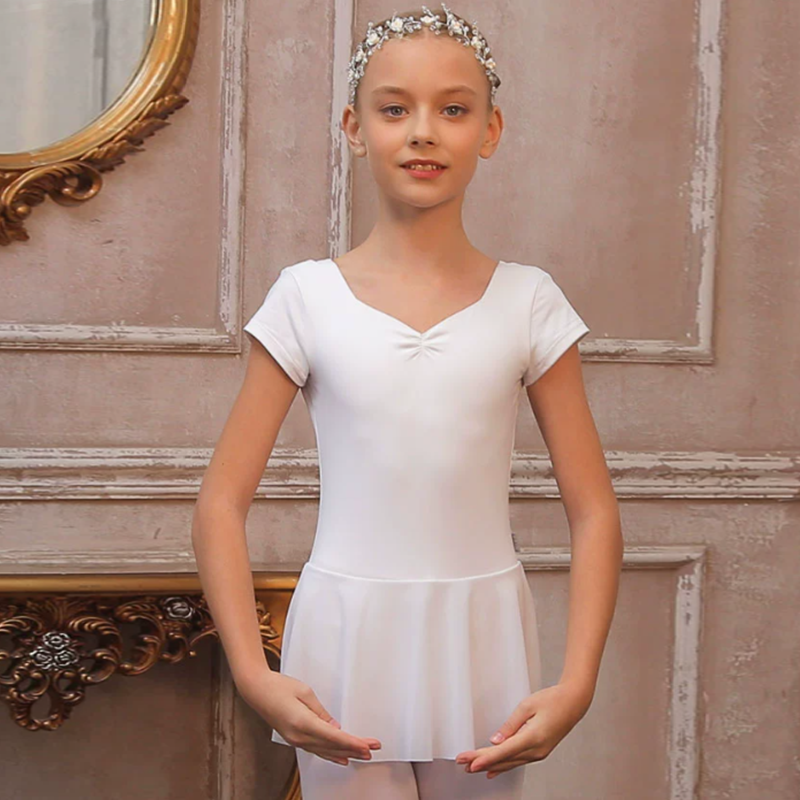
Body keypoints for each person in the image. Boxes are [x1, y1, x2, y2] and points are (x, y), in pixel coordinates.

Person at [192, 4, 623, 798]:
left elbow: (594, 509)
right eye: (396, 109)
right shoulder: (305, 298)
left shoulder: (529, 301)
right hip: (345, 636)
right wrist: (254, 674)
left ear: (490, 131)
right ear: (355, 128)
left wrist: (578, 682)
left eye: (453, 110)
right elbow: (221, 501)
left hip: (483, 638)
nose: (423, 132)